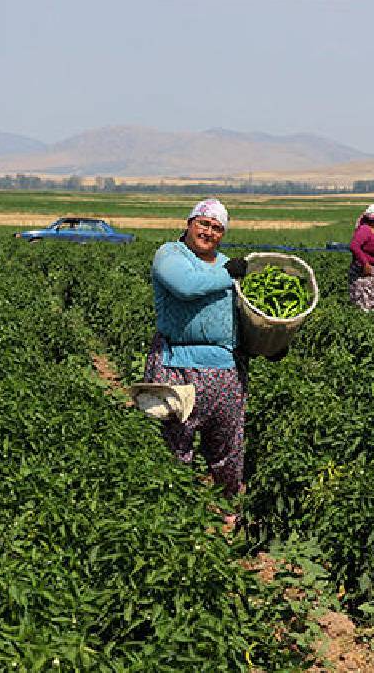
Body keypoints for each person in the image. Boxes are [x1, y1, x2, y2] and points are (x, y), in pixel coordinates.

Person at [142, 198, 249, 524]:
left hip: (225, 369)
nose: (209, 232)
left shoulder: (227, 264)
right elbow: (186, 287)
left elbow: (243, 314)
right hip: (178, 365)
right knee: (176, 445)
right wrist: (229, 275)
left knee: (228, 447)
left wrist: (266, 344)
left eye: (217, 228)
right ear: (189, 224)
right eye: (204, 223)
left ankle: (229, 512)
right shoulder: (170, 255)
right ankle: (174, 518)